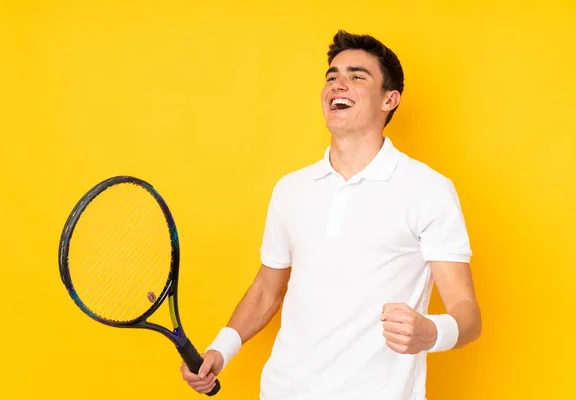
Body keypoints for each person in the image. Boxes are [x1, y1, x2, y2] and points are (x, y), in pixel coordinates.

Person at [180, 30, 482, 399]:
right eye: (332, 76)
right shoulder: (290, 190)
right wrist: (219, 350)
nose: (339, 84)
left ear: (390, 99)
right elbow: (265, 292)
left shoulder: (428, 190)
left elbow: (468, 315)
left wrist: (433, 333)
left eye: (357, 76)